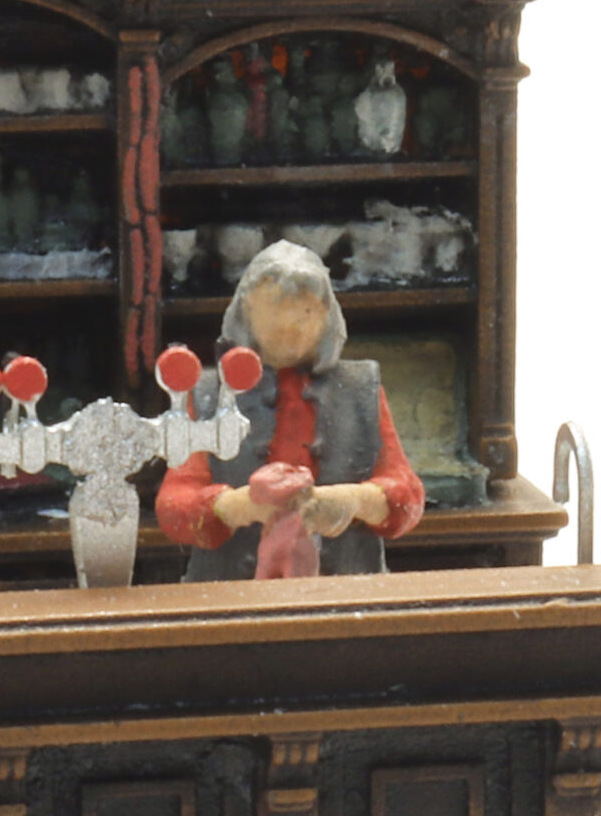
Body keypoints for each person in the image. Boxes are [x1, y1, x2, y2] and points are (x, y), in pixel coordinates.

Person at [154, 240, 425, 578]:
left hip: (345, 590)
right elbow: (173, 504)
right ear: (246, 311)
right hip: (231, 594)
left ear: (326, 313)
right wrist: (237, 507)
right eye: (274, 310)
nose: (289, 328)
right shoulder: (210, 393)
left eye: (305, 312)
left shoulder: (360, 388)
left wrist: (355, 500)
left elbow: (408, 495)